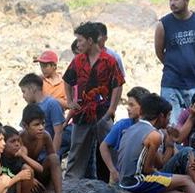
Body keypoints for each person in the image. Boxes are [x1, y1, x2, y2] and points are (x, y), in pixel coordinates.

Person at [63, 21, 125, 181]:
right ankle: (71, 184)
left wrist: (112, 109)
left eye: (80, 40)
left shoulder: (109, 61)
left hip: (103, 112)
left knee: (111, 147)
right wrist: (70, 101)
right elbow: (67, 79)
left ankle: (121, 181)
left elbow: (118, 84)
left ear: (90, 41)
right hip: (82, 113)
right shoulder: (78, 61)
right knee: (77, 150)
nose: (78, 44)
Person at [155, 0, 195, 126]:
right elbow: (159, 52)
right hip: (171, 83)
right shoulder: (163, 24)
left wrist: (191, 61)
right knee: (172, 126)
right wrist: (174, 66)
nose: (172, 3)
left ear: (187, 0)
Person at [19, 104, 69, 193]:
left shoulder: (45, 136)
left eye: (43, 123)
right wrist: (30, 178)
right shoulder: (19, 139)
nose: (41, 127)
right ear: (25, 125)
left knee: (54, 157)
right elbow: (15, 165)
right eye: (36, 125)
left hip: (39, 171)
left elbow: (54, 162)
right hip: (23, 175)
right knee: (24, 167)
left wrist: (51, 188)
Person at [100, 86, 151, 183]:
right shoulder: (122, 125)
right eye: (128, 104)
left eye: (132, 105)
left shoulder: (150, 128)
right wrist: (113, 170)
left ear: (143, 107)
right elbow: (103, 146)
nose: (128, 108)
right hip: (124, 177)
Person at [18, 73, 67, 155]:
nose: (23, 96)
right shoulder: (29, 107)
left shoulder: (51, 104)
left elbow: (58, 133)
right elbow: (24, 130)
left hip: (46, 152)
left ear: (32, 89)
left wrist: (53, 155)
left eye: (24, 91)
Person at [0, 125, 42, 193]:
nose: (17, 144)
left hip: (15, 188)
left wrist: (23, 156)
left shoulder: (18, 155)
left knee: (27, 169)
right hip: (2, 189)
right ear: (3, 143)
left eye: (18, 141)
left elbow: (40, 169)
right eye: (12, 141)